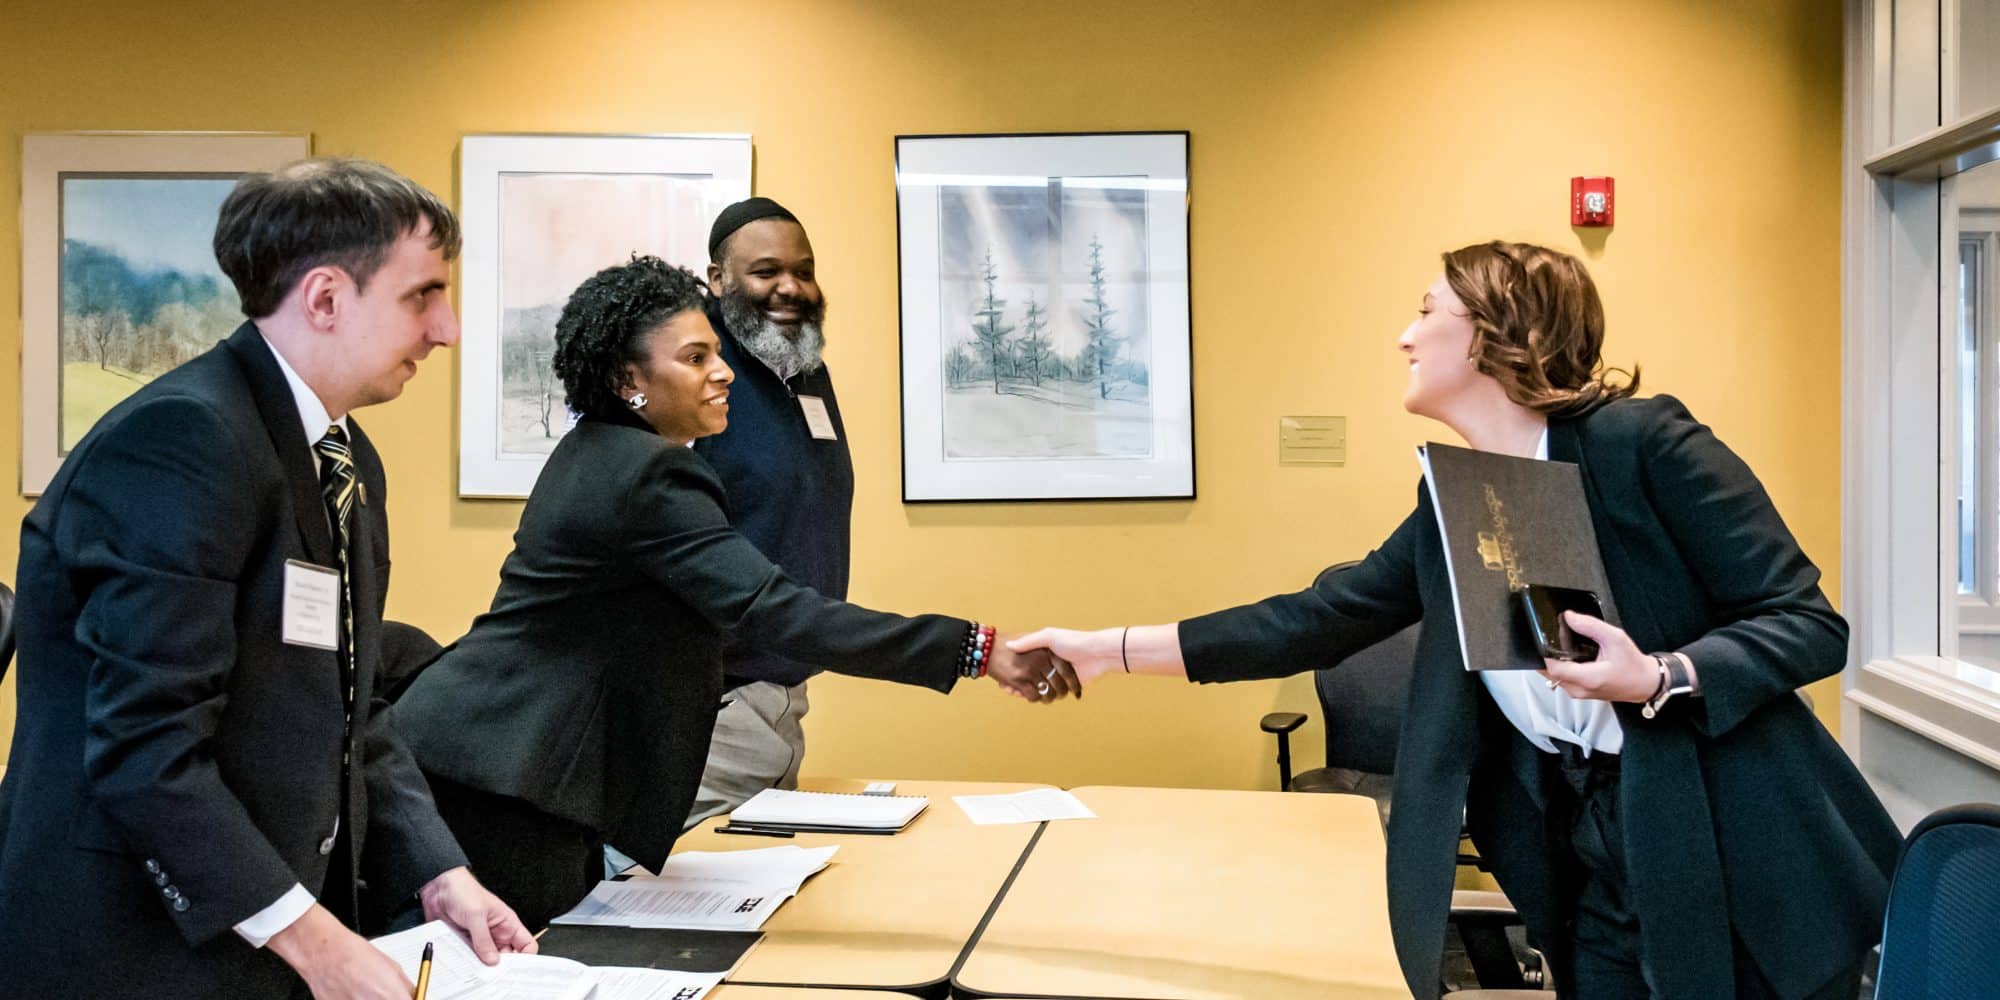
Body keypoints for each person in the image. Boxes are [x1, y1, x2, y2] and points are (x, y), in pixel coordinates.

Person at [1011, 241, 1902, 1000]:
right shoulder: (1456, 500)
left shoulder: (1642, 445)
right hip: (1591, 850)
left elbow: (1808, 622)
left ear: (1501, 334)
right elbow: (1315, 619)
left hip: (1738, 851)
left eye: (1426, 311)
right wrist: (1106, 650)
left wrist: (1660, 675)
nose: (1405, 335)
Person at [388, 255, 1075, 930]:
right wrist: (975, 649)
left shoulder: (597, 451)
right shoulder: (650, 475)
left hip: (485, 758)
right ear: (628, 379)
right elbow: (777, 610)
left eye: (717, 352)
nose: (723, 373)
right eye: (695, 358)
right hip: (503, 778)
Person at [0, 158, 534, 999]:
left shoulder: (344, 455)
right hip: (135, 950)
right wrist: (317, 946)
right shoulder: (182, 442)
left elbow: (351, 706)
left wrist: (438, 873)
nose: (447, 329)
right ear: (324, 299)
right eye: (423, 296)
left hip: (261, 940)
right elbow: (145, 750)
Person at [674, 197, 904, 830]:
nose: (791, 287)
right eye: (766, 271)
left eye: (803, 271)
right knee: (686, 884)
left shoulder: (804, 371)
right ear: (718, 279)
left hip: (783, 697)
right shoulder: (696, 377)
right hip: (712, 705)